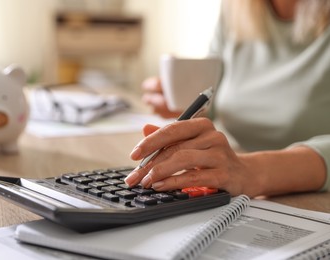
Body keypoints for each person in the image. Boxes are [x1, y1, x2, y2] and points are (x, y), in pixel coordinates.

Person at [124, 0, 330, 198]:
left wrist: (251, 171)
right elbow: (214, 97)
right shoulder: (238, 7)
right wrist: (181, 102)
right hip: (248, 193)